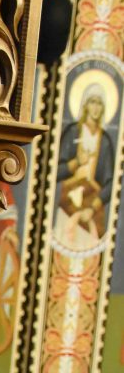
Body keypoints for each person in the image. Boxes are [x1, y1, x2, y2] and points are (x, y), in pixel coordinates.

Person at [54, 83, 115, 251]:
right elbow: (54, 172)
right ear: (85, 104)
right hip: (67, 204)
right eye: (92, 102)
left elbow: (112, 183)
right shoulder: (73, 132)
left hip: (92, 208)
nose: (95, 107)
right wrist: (76, 163)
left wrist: (93, 208)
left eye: (99, 103)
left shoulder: (105, 141)